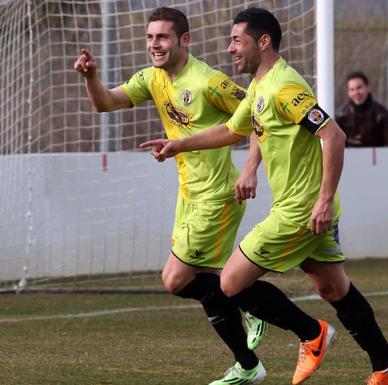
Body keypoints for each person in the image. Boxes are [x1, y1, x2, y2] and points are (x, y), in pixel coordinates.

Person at [140, 7, 388, 385]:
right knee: (333, 287)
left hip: (301, 210)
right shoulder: (258, 88)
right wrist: (179, 144)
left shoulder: (285, 87)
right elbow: (232, 130)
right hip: (303, 207)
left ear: (263, 42)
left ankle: (311, 335)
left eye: (237, 40)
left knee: (231, 283)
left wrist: (324, 199)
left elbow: (334, 136)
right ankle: (386, 365)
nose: (230, 48)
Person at [73, 7, 269, 384]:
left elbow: (259, 119)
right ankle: (247, 364)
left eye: (162, 37)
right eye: (150, 38)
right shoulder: (151, 78)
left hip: (217, 195)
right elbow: (105, 103)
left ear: (184, 40)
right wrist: (92, 77)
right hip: (188, 196)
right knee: (210, 280)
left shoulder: (210, 82)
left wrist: (249, 170)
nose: (154, 45)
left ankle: (250, 302)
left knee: (175, 279)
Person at [335, 71, 388, 147]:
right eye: (352, 89)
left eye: (359, 88)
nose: (356, 92)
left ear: (368, 88)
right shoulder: (341, 115)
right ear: (348, 92)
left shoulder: (381, 114)